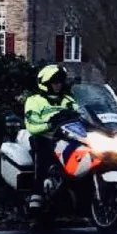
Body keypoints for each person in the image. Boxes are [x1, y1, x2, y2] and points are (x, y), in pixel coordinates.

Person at [24, 65, 82, 194]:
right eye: (55, 82)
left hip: (68, 137)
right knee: (42, 152)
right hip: (45, 137)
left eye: (60, 82)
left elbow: (83, 114)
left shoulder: (69, 100)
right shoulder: (34, 101)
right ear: (45, 83)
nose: (58, 85)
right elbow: (32, 125)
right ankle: (37, 193)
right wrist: (50, 124)